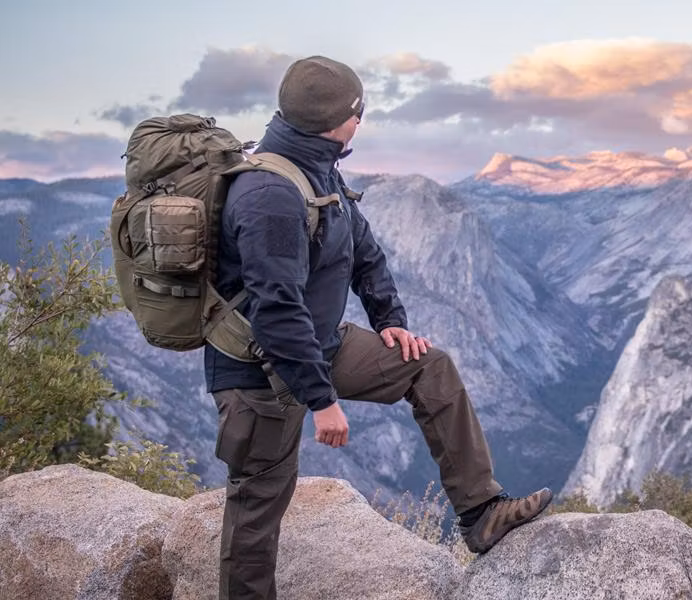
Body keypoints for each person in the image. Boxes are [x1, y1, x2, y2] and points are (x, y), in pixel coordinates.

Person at [203, 55, 551, 599]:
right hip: (257, 370)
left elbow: (363, 251)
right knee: (259, 505)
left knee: (428, 367)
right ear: (331, 120)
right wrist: (321, 400)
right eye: (357, 112)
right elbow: (275, 309)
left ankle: (482, 513)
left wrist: (390, 321)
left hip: (318, 344)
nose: (360, 121)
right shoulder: (269, 195)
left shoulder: (317, 167)